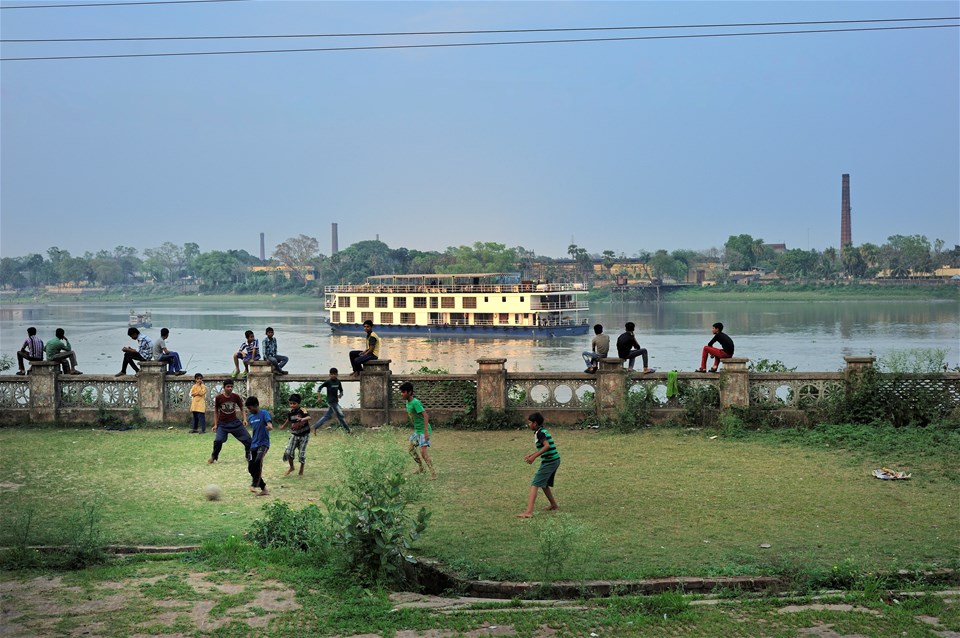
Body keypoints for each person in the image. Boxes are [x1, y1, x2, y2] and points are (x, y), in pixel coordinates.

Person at [517, 412, 560, 519]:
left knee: (535, 484)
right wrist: (532, 454)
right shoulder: (541, 431)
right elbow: (544, 447)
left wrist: (534, 457)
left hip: (550, 461)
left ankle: (529, 512)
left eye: (530, 423)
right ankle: (554, 505)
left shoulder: (540, 433)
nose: (529, 425)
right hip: (554, 460)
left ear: (535, 423)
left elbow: (547, 446)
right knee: (544, 484)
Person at [208, 379, 251, 464]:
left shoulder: (236, 397)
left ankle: (248, 455)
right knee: (218, 441)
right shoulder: (219, 398)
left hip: (235, 423)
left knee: (248, 440)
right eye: (228, 386)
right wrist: (216, 424)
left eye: (231, 386)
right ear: (224, 387)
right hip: (223, 424)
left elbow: (242, 408)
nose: (230, 388)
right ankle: (214, 456)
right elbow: (216, 411)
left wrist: (245, 419)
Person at [399, 381, 436, 479]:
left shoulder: (415, 403)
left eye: (403, 392)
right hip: (417, 431)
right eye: (401, 392)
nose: (401, 394)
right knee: (411, 450)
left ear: (410, 392)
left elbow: (425, 416)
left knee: (423, 452)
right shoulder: (408, 402)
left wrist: (426, 432)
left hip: (423, 431)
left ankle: (433, 474)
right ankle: (421, 468)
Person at [245, 395, 272, 496]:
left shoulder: (264, 413)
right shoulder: (251, 417)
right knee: (251, 467)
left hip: (263, 444)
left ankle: (254, 484)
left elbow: (269, 423)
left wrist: (269, 426)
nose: (249, 410)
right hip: (254, 445)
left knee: (258, 461)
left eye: (250, 408)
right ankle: (263, 488)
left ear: (256, 405)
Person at [279, 393, 311, 476]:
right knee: (289, 452)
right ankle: (291, 467)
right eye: (290, 403)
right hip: (294, 434)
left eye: (294, 403)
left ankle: (301, 469)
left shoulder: (302, 410)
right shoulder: (290, 412)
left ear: (298, 403)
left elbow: (309, 417)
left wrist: (302, 419)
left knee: (301, 454)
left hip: (304, 435)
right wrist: (283, 426)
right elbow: (288, 420)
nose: (292, 405)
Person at [315, 367, 350, 433]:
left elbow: (341, 390)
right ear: (329, 375)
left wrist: (340, 395)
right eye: (332, 374)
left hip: (336, 401)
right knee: (341, 416)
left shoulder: (338, 382)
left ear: (337, 374)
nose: (333, 375)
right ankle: (347, 430)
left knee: (328, 416)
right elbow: (319, 388)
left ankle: (315, 426)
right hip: (331, 401)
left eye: (335, 374)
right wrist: (319, 397)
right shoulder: (328, 382)